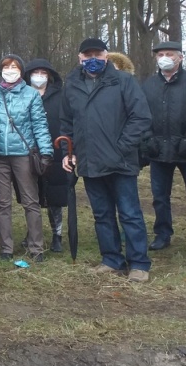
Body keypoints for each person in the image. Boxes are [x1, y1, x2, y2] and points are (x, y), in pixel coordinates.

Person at [61, 38, 153, 282]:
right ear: (80, 58)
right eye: (87, 55)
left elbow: (140, 118)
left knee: (130, 213)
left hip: (121, 162)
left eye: (98, 55)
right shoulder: (71, 84)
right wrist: (68, 152)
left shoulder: (123, 81)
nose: (93, 60)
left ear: (106, 56)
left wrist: (121, 147)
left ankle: (139, 264)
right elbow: (66, 123)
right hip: (90, 163)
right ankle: (111, 259)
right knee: (101, 214)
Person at [141, 41, 186, 253]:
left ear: (180, 57)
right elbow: (141, 116)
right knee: (160, 198)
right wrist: (148, 140)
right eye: (160, 54)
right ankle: (163, 234)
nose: (164, 58)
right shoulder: (149, 85)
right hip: (159, 152)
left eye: (169, 54)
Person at [0, 55, 54, 261]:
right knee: (2, 203)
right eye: (6, 67)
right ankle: (5, 248)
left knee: (30, 202)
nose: (10, 70)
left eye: (14, 67)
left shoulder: (31, 95)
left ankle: (36, 247)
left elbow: (40, 125)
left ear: (21, 70)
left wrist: (46, 152)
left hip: (24, 155)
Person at [23, 58, 68, 253]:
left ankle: (57, 234)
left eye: (43, 73)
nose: (39, 77)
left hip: (55, 152)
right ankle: (32, 233)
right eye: (35, 73)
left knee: (55, 197)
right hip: (28, 152)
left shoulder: (61, 96)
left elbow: (67, 121)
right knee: (31, 195)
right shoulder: (23, 95)